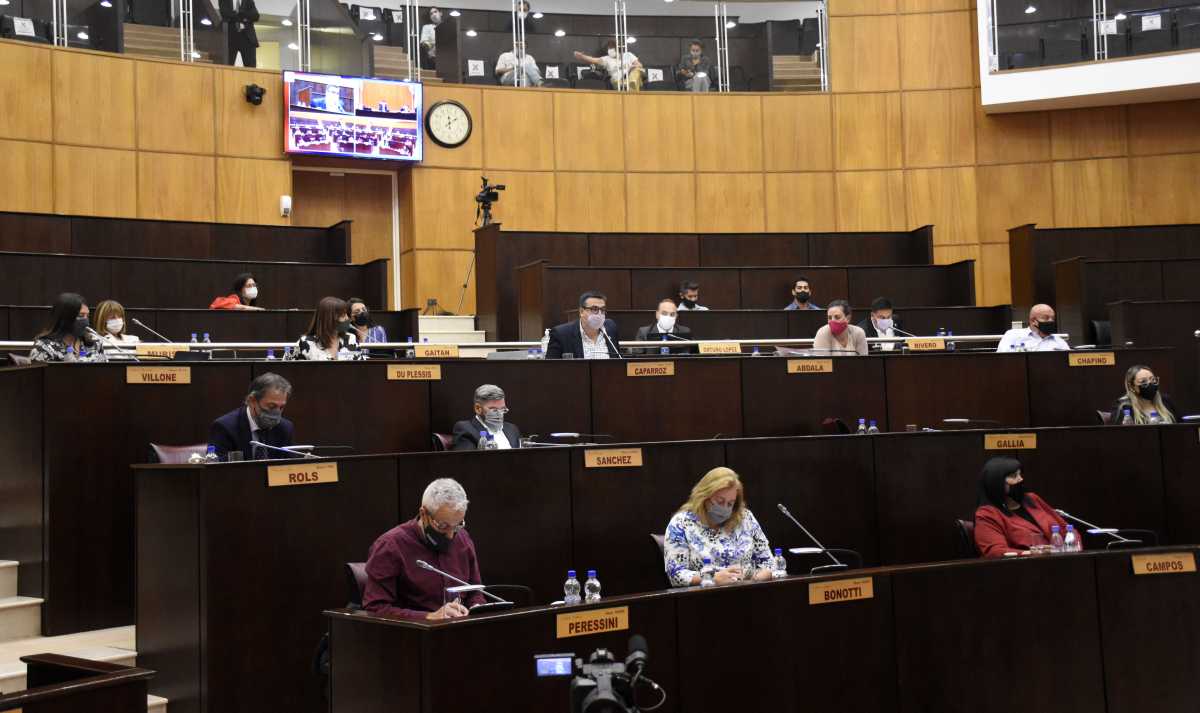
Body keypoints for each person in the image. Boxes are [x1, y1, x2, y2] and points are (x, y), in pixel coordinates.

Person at [363, 478, 485, 621]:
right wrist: (428, 616)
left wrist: (476, 608)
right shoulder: (390, 546)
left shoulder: (463, 539)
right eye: (443, 526)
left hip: (458, 630)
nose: (451, 535)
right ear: (423, 514)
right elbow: (375, 609)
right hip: (412, 636)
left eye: (458, 525)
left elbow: (475, 592)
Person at [663, 467, 775, 587]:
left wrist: (757, 579)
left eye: (730, 503)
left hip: (749, 591)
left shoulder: (745, 517)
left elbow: (769, 562)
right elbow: (676, 574)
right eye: (720, 501)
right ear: (704, 497)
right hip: (704, 596)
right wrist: (712, 578)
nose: (725, 508)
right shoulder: (681, 523)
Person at [973, 457, 1074, 558]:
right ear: (996, 482)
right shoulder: (986, 514)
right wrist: (1034, 553)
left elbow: (1068, 530)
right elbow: (995, 552)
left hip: (1061, 561)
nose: (1020, 479)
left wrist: (1072, 548)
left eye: (1020, 474)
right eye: (1014, 476)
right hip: (1025, 568)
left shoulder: (1032, 499)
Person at [207, 372, 295, 460]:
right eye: (271, 406)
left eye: (281, 407)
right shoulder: (225, 427)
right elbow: (217, 470)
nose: (276, 412)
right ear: (251, 400)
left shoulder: (284, 428)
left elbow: (290, 468)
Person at [545, 291, 621, 359]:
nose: (599, 314)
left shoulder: (610, 328)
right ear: (581, 311)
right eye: (594, 309)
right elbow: (550, 369)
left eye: (603, 310)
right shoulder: (561, 334)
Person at [285, 296, 363, 361]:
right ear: (329, 319)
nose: (347, 318)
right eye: (343, 315)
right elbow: (289, 370)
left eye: (346, 314)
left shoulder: (351, 339)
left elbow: (360, 367)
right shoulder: (305, 342)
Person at [29, 292, 100, 362]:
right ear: (65, 318)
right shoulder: (44, 347)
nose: (85, 320)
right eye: (80, 315)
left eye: (87, 316)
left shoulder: (94, 343)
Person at [452, 384, 522, 450]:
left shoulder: (512, 429)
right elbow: (466, 460)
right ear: (478, 408)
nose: (500, 414)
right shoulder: (466, 429)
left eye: (502, 409)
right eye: (494, 410)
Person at [1112, 365, 1178, 424]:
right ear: (1132, 386)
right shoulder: (1124, 407)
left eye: (1153, 379)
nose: (1150, 383)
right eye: (1143, 381)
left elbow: (1180, 425)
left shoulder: (1166, 401)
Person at [574, 39, 644, 91]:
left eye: (611, 48)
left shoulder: (628, 55)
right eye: (608, 49)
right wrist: (582, 56)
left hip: (630, 77)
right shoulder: (606, 59)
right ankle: (628, 85)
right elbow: (593, 59)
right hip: (618, 80)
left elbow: (640, 65)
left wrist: (632, 68)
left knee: (637, 70)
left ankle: (631, 84)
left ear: (617, 48)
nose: (609, 50)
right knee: (615, 80)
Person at [996, 304, 1069, 352]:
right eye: (1046, 318)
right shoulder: (1012, 335)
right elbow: (1002, 359)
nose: (1051, 321)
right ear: (1033, 321)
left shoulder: (1060, 342)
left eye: (1052, 318)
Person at [218, 0, 259, 67]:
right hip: (230, 36)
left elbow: (256, 16)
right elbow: (225, 14)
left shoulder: (248, 1)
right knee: (227, 66)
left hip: (246, 36)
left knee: (251, 67)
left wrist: (237, 15)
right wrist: (244, 17)